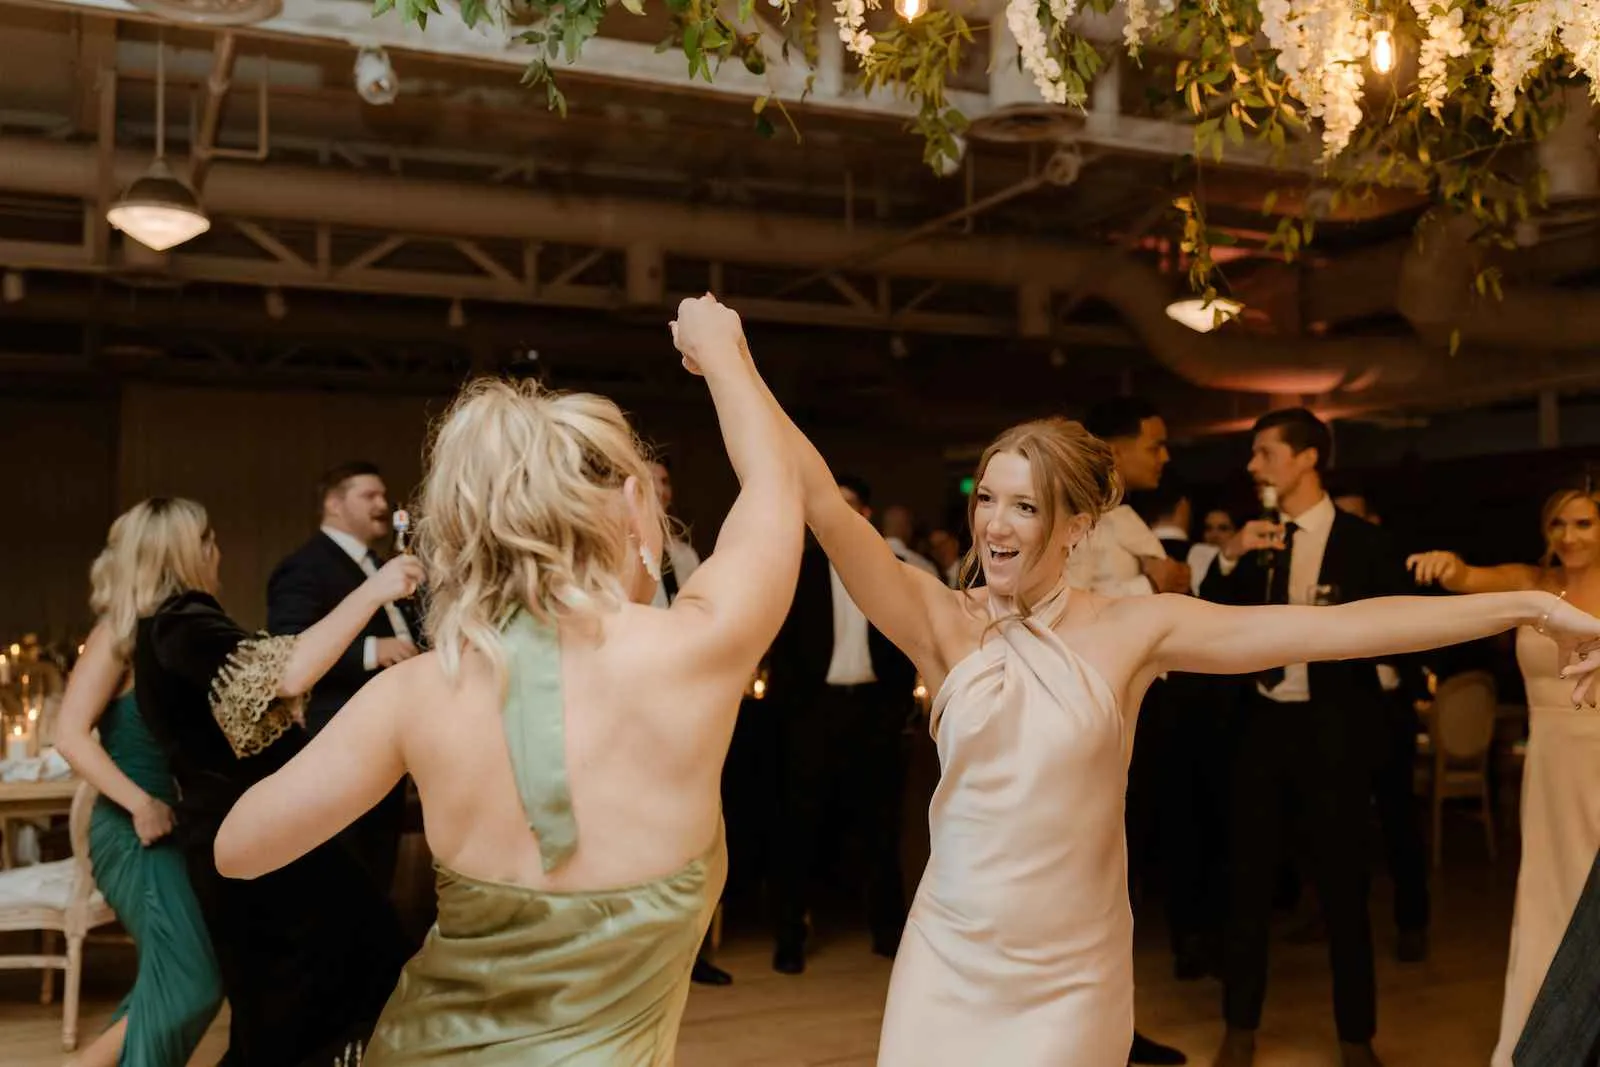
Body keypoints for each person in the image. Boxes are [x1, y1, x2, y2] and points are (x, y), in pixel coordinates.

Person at [741, 368, 1600, 1064]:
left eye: (1025, 505)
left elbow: (1340, 628)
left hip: (1071, 976)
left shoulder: (1133, 629)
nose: (995, 524)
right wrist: (728, 356)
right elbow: (818, 497)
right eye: (987, 499)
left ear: (1078, 526)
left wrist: (1529, 606)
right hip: (948, 957)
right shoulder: (939, 620)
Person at [213, 294, 803, 1065]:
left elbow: (238, 849)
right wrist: (722, 352)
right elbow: (774, 486)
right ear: (633, 504)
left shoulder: (419, 693)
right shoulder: (702, 647)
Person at [129, 496, 423, 1067]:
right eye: (211, 543)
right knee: (300, 1007)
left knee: (297, 1006)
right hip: (257, 846)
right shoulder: (180, 619)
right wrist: (375, 590)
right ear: (194, 549)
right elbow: (286, 670)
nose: (217, 555)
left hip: (256, 839)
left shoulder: (168, 626)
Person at [1408, 485, 1600, 1067]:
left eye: (1585, 524)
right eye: (1559, 524)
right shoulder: (1533, 583)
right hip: (1549, 759)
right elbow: (1470, 579)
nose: (1569, 536)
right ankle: (1544, 1036)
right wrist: (1449, 568)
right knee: (1549, 890)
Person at [53, 501, 224, 1067]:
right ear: (179, 553)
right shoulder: (118, 635)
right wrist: (141, 803)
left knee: (176, 980)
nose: (216, 550)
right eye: (206, 539)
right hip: (135, 833)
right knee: (193, 981)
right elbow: (69, 734)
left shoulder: (177, 635)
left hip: (178, 831)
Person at [267, 461, 420, 892]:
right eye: (368, 496)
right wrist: (373, 650)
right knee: (344, 870)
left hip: (388, 736)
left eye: (384, 496)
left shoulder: (382, 562)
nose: (382, 505)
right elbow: (287, 648)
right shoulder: (304, 567)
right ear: (334, 504)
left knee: (377, 867)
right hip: (337, 736)